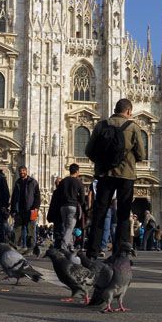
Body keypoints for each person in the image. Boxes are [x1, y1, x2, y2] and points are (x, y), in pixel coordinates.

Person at [85, 98, 145, 258]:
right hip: (126, 175)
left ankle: (92, 250)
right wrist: (128, 160)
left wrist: (103, 162)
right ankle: (120, 251)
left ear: (115, 109)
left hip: (104, 175)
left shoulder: (101, 126)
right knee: (124, 213)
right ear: (129, 111)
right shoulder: (133, 127)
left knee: (100, 211)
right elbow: (141, 154)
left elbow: (89, 151)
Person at [10, 166, 40, 251]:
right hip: (19, 209)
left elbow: (37, 196)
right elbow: (14, 197)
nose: (21, 172)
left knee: (31, 229)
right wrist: (13, 209)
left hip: (32, 209)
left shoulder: (33, 182)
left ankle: (31, 248)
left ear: (26, 171)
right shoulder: (17, 182)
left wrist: (36, 208)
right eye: (20, 171)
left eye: (23, 171)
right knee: (17, 228)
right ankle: (14, 246)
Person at [57, 164, 85, 251]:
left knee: (67, 227)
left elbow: (58, 193)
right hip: (73, 206)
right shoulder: (78, 182)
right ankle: (64, 246)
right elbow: (83, 197)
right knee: (70, 227)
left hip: (63, 207)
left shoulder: (63, 181)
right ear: (77, 171)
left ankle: (71, 246)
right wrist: (80, 203)